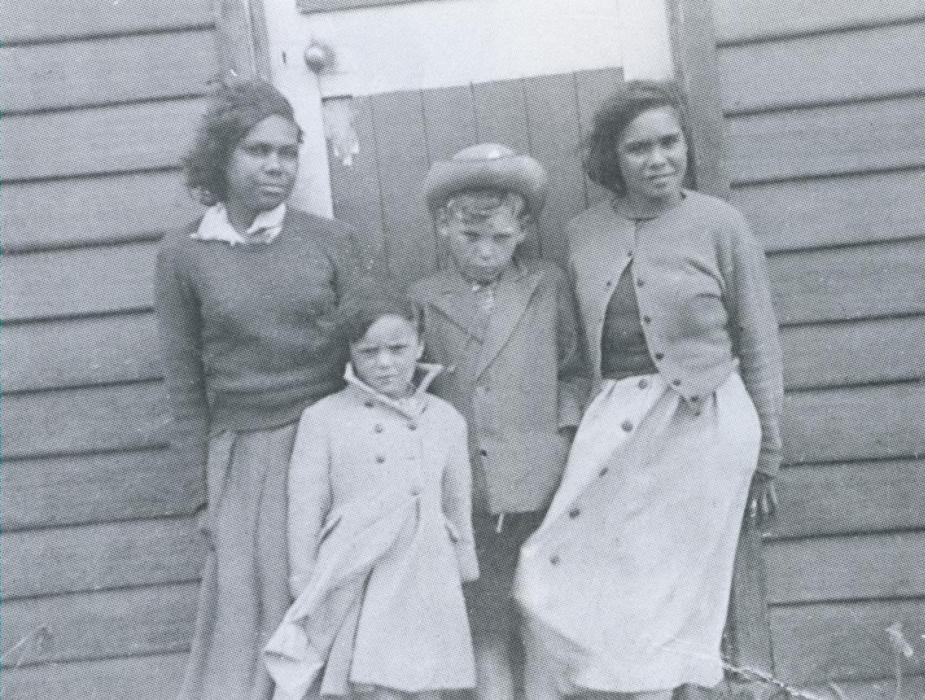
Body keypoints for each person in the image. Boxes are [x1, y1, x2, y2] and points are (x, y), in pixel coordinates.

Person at [514, 79, 784, 700]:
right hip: (618, 417)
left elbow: (760, 341)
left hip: (706, 420)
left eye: (671, 142)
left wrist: (768, 457)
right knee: (559, 564)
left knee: (675, 588)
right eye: (640, 149)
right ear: (613, 158)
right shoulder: (585, 232)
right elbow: (577, 348)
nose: (659, 159)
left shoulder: (720, 223)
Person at [155, 79, 367, 700]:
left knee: (336, 603)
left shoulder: (329, 240)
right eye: (258, 151)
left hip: (329, 444)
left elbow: (366, 345)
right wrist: (202, 495)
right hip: (246, 457)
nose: (277, 166)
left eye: (287, 152)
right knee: (256, 618)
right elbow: (185, 384)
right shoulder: (184, 253)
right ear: (222, 158)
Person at [410, 143, 588, 700]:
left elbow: (573, 369)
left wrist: (558, 438)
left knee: (543, 612)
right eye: (471, 237)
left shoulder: (547, 284)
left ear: (524, 230)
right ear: (443, 226)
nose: (487, 251)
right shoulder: (423, 297)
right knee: (484, 619)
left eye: (501, 238)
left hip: (540, 477)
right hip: (468, 488)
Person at [263, 287, 478, 700]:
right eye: (368, 352)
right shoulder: (324, 418)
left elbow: (456, 498)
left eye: (397, 349)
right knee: (370, 680)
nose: (384, 364)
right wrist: (303, 574)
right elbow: (306, 505)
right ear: (350, 352)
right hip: (359, 564)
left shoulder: (445, 419)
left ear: (419, 345)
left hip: (425, 565)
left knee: (424, 677)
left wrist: (463, 554)